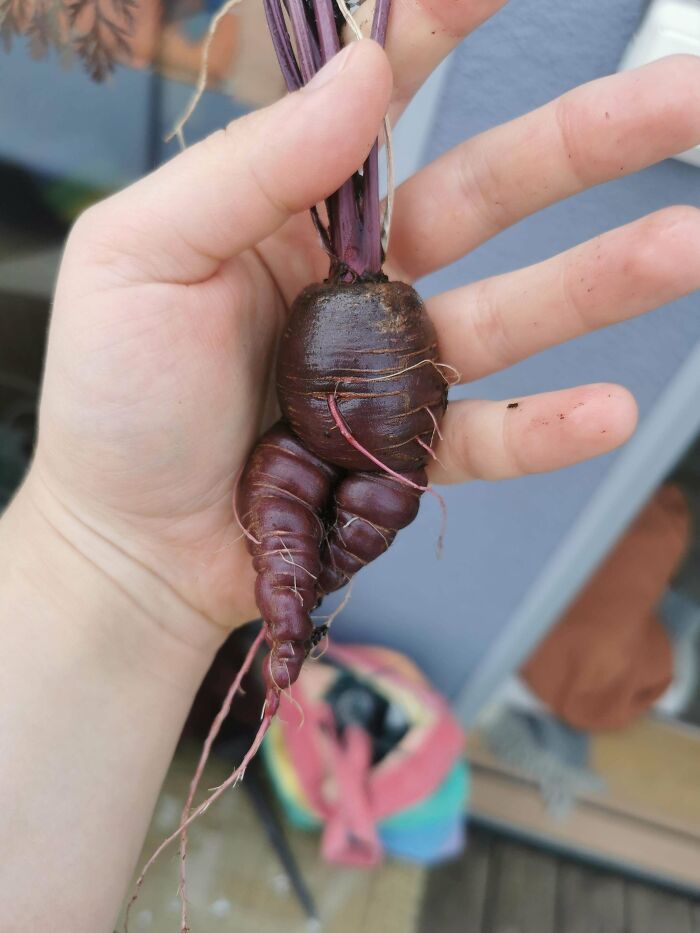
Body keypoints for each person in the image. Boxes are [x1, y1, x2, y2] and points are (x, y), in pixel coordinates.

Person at [2, 13, 699, 929]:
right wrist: (110, 554)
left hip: (345, 345)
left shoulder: (330, 397)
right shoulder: (324, 403)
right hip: (344, 352)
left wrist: (111, 564)